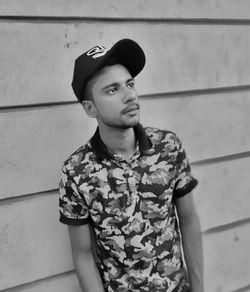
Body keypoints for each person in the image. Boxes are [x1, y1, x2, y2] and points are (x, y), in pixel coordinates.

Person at [59, 39, 204, 292]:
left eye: (130, 84)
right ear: (90, 108)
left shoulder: (167, 147)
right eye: (112, 90)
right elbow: (83, 254)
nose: (130, 95)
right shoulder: (77, 171)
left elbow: (189, 221)